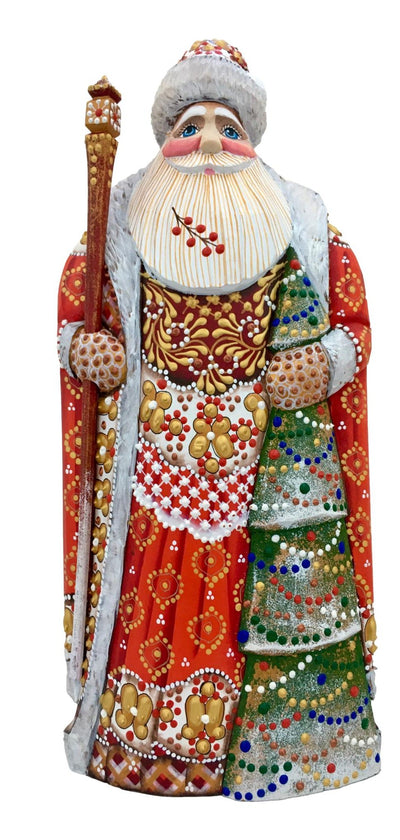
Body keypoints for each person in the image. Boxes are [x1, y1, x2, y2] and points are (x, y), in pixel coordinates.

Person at [58, 39, 380, 799]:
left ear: (252, 139)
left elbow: (353, 319)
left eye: (227, 126)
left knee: (244, 596)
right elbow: (79, 301)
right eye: (190, 124)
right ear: (165, 136)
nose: (208, 142)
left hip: (261, 468)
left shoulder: (301, 220)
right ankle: (140, 744)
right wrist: (82, 349)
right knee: (150, 597)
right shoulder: (123, 219)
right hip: (155, 463)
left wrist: (326, 361)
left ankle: (257, 745)